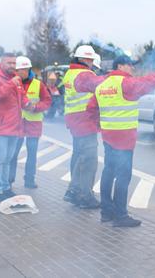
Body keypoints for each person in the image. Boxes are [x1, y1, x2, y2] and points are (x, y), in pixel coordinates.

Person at [87, 55, 155, 227]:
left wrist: (101, 125)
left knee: (108, 172)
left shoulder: (102, 85)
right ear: (120, 66)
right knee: (123, 176)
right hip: (124, 139)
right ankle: (121, 215)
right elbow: (153, 80)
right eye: (130, 65)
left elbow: (90, 108)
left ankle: (106, 213)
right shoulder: (126, 84)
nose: (132, 68)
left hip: (109, 135)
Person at [0, 53, 33, 203]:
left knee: (8, 159)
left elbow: (21, 97)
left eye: (14, 63)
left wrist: (29, 104)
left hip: (13, 127)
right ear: (2, 63)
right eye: (9, 63)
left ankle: (5, 188)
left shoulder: (14, 80)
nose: (12, 66)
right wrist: (11, 84)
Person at [61, 45, 105, 208]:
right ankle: (84, 195)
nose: (93, 63)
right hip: (84, 119)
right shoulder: (85, 75)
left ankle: (75, 192)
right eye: (92, 60)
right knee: (89, 159)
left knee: (78, 156)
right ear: (86, 59)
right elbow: (101, 85)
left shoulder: (71, 73)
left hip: (75, 119)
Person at [8, 56, 52, 189]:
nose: (23, 72)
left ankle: (29, 180)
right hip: (17, 124)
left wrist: (36, 107)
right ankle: (9, 181)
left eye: (25, 70)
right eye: (20, 70)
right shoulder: (13, 83)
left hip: (33, 124)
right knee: (13, 154)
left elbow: (47, 101)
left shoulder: (38, 84)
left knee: (32, 154)